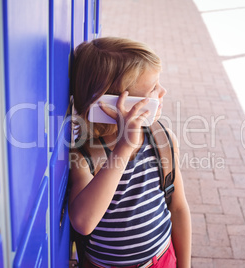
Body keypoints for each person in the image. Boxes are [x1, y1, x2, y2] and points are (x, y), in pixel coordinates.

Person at [68, 37, 191, 268]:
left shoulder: (162, 140)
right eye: (153, 88)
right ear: (113, 103)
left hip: (162, 259)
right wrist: (123, 148)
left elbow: (178, 207)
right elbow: (83, 222)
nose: (163, 91)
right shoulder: (84, 157)